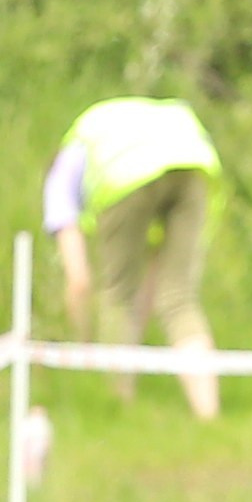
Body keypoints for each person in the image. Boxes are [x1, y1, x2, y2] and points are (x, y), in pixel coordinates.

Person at [43, 96, 223, 420]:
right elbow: (155, 270)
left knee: (117, 296)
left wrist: (84, 346)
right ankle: (208, 415)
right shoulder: (108, 133)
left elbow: (79, 281)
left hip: (127, 176)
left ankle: (115, 405)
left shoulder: (61, 179)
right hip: (193, 159)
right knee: (180, 299)